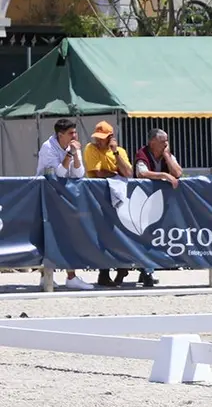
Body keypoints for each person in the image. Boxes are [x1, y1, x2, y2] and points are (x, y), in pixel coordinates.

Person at [36, 118, 92, 291]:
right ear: (60, 135)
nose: (75, 136)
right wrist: (70, 154)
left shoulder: (74, 146)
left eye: (75, 132)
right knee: (45, 236)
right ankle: (45, 277)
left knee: (69, 234)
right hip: (45, 195)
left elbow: (79, 173)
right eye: (71, 133)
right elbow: (58, 174)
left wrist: (74, 154)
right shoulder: (47, 147)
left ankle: (71, 277)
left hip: (65, 197)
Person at [84, 121, 135, 286]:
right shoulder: (90, 149)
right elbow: (98, 172)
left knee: (121, 234)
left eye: (103, 138)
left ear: (111, 138)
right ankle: (104, 273)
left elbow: (128, 173)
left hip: (118, 199)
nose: (99, 141)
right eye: (97, 138)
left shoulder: (119, 151)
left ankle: (122, 270)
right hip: (98, 198)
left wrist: (115, 153)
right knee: (103, 235)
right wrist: (116, 173)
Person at [133, 128, 184, 287]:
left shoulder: (166, 154)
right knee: (143, 236)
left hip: (162, 203)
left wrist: (168, 157)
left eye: (167, 141)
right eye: (163, 141)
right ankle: (147, 270)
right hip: (141, 202)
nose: (166, 144)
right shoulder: (142, 154)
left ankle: (148, 269)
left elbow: (178, 173)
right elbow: (142, 173)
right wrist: (163, 175)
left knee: (157, 236)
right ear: (152, 142)